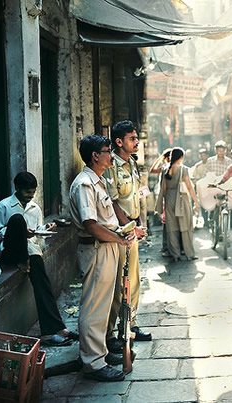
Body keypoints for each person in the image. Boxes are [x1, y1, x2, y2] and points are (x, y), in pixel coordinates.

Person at [69, 134, 135, 382]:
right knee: (95, 307)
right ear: (95, 155)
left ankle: (100, 354)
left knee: (105, 305)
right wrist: (119, 239)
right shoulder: (85, 183)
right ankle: (92, 363)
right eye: (107, 150)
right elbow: (91, 224)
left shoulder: (98, 181)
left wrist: (124, 232)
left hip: (106, 246)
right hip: (97, 248)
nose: (111, 155)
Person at [0, 172, 78, 346]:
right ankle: (23, 260)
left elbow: (37, 236)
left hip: (30, 252)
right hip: (10, 252)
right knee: (17, 221)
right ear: (17, 188)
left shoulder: (35, 208)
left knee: (42, 282)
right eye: (27, 193)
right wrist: (19, 232)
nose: (30, 197)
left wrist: (45, 228)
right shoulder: (3, 206)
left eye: (32, 193)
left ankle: (54, 329)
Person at [103, 120, 150, 356]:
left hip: (133, 228)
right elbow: (112, 201)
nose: (137, 142)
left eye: (137, 137)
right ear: (119, 141)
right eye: (132, 138)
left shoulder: (132, 162)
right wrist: (129, 226)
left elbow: (135, 196)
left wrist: (139, 222)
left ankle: (129, 326)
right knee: (119, 284)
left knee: (134, 280)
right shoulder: (111, 165)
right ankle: (110, 334)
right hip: (120, 232)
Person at [155, 147, 200, 261]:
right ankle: (189, 254)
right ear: (181, 157)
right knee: (185, 226)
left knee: (172, 228)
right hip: (181, 200)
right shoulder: (183, 169)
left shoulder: (165, 170)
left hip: (169, 199)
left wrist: (163, 204)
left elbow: (163, 189)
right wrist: (196, 201)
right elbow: (189, 187)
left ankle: (175, 255)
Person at [151, 148, 172, 253]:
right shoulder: (165, 167)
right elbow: (152, 170)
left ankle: (168, 245)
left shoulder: (171, 167)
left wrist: (160, 158)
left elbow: (152, 170)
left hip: (167, 196)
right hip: (165, 196)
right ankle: (166, 245)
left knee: (167, 222)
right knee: (166, 221)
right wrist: (160, 158)